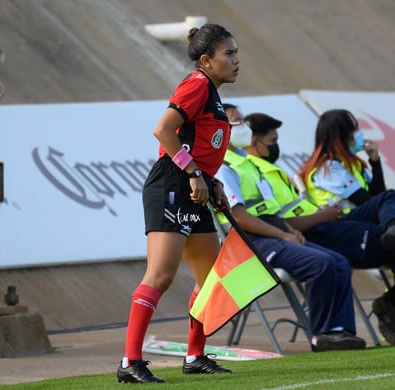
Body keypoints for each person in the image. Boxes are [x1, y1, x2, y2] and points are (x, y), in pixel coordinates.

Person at [116, 23, 239, 384]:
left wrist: (210, 180)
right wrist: (194, 175)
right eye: (228, 54)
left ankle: (195, 355)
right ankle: (130, 362)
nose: (236, 60)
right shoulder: (197, 84)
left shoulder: (212, 92)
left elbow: (199, 144)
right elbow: (163, 130)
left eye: (236, 52)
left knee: (208, 278)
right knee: (161, 275)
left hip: (194, 186)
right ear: (206, 60)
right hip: (172, 183)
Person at [214, 104, 366, 353]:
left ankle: (341, 331)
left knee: (339, 261)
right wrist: (283, 234)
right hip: (248, 242)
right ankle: (321, 335)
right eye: (237, 123)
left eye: (244, 121)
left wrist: (288, 229)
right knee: (321, 264)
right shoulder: (223, 165)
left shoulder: (248, 163)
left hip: (271, 231)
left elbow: (267, 208)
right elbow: (239, 218)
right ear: (219, 129)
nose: (245, 128)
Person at [297, 108, 395, 344]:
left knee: (389, 208)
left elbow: (378, 199)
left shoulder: (353, 165)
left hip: (365, 225)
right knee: (390, 199)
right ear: (341, 136)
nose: (359, 135)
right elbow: (373, 201)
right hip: (341, 226)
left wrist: (374, 162)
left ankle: (389, 303)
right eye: (354, 131)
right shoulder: (327, 168)